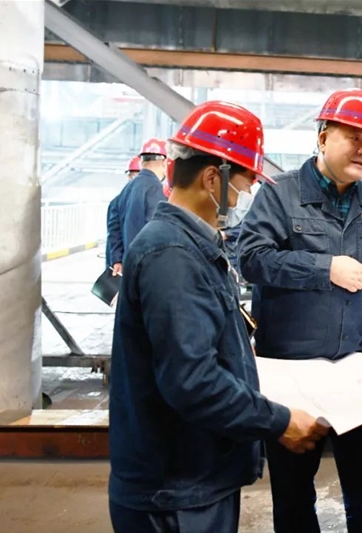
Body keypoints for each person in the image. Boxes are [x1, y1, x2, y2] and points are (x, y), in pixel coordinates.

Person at [108, 101, 329, 533]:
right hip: (175, 493)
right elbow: (192, 379)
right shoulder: (172, 256)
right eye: (245, 186)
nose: (246, 198)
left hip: (192, 480)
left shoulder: (192, 246)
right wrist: (279, 421)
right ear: (213, 178)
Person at [238, 88, 362, 533]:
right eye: (354, 138)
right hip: (293, 374)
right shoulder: (280, 195)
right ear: (324, 137)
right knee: (293, 494)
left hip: (356, 370)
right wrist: (323, 268)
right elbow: (251, 258)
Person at [108, 139, 168, 276]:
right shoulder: (156, 189)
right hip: (148, 269)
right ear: (165, 162)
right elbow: (156, 232)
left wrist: (117, 259)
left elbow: (114, 227)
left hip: (129, 267)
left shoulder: (126, 190)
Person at [105, 156, 140, 271]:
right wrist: (116, 260)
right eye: (132, 175)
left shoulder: (118, 200)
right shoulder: (117, 201)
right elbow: (114, 233)